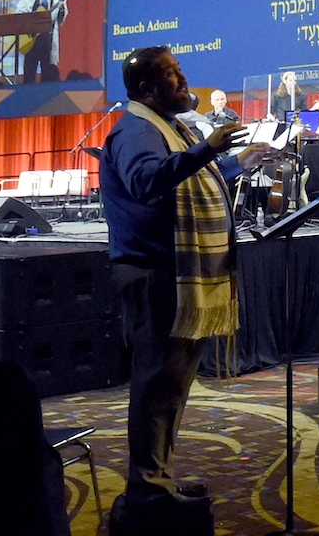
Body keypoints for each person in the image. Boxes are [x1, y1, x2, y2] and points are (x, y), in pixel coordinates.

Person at [100, 46, 274, 516]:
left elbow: (185, 179)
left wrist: (239, 163)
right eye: (173, 75)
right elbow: (147, 181)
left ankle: (157, 478)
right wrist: (210, 148)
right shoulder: (136, 129)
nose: (184, 81)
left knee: (170, 385)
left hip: (176, 273)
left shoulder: (166, 125)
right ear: (146, 90)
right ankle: (147, 490)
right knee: (157, 383)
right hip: (156, 274)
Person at [13, 0, 71, 83]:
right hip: (32, 38)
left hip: (47, 38)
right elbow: (21, 8)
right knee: (29, 73)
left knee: (47, 73)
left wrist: (61, 9)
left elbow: (62, 15)